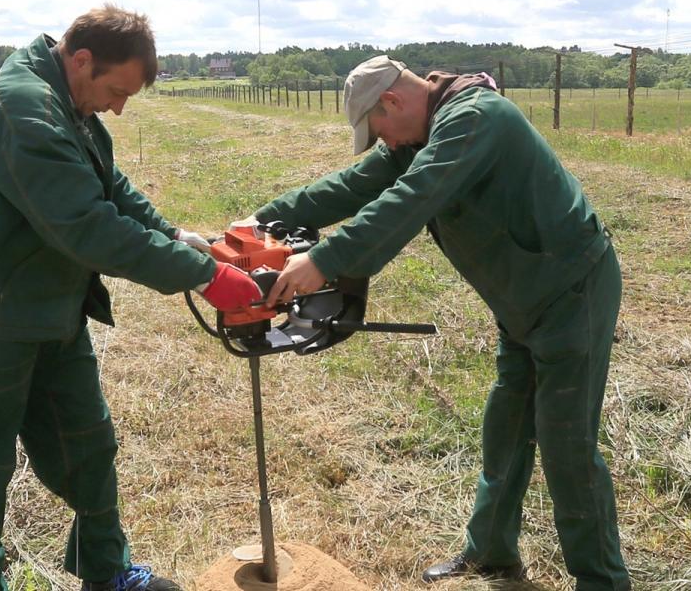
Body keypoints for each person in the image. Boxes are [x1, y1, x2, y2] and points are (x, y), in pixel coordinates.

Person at [248, 56, 630, 590]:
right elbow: (352, 185)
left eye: (378, 127)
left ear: (393, 102)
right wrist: (262, 220)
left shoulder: (475, 120)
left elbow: (413, 197)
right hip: (520, 300)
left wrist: (325, 260)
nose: (383, 142)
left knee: (566, 443)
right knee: (506, 428)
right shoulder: (419, 135)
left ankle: (602, 582)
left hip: (570, 292)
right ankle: (492, 553)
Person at [0, 5, 259, 591]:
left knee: (88, 443)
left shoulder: (68, 99)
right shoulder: (25, 109)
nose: (117, 106)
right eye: (115, 90)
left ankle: (107, 573)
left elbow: (109, 187)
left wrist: (178, 237)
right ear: (81, 59)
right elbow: (87, 226)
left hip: (54, 308)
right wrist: (202, 276)